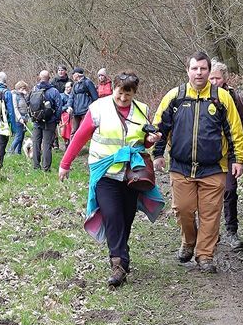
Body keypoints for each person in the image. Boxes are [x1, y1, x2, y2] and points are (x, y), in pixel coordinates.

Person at [59, 71, 165, 287]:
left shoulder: (142, 110)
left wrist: (151, 140)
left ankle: (122, 257)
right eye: (120, 92)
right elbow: (80, 136)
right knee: (112, 214)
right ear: (113, 88)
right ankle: (117, 264)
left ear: (134, 92)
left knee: (126, 218)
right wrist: (65, 163)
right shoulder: (98, 108)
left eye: (128, 94)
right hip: (105, 173)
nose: (123, 98)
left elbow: (143, 142)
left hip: (131, 175)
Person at [153, 51, 243, 273]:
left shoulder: (221, 98)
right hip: (181, 166)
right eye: (195, 68)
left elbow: (235, 130)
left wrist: (238, 159)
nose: (199, 73)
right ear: (187, 71)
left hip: (213, 167)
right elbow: (159, 128)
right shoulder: (175, 97)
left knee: (210, 214)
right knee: (183, 210)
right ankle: (188, 241)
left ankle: (205, 255)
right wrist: (157, 154)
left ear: (208, 71)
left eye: (203, 69)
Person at [208, 60, 243, 252]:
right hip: (207, 154)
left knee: (230, 191)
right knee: (208, 195)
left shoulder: (234, 97)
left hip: (231, 152)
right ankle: (210, 234)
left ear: (225, 79)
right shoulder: (199, 96)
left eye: (217, 78)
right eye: (211, 78)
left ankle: (232, 231)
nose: (214, 81)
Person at [30, 70, 62, 171]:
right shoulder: (54, 91)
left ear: (39, 77)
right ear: (49, 78)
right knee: (47, 144)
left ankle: (36, 166)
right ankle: (46, 168)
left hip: (36, 120)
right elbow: (59, 106)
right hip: (50, 121)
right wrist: (56, 119)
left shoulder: (34, 89)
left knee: (36, 143)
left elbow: (28, 102)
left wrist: (33, 116)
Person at [66, 67, 98, 136]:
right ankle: (72, 146)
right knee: (73, 131)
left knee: (86, 131)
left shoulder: (88, 82)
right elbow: (71, 97)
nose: (72, 76)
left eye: (73, 74)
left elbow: (95, 97)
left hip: (85, 111)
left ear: (77, 75)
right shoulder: (75, 84)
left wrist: (92, 109)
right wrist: (69, 106)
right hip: (76, 112)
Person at [8, 80, 29, 155]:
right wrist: (20, 118)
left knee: (22, 136)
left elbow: (27, 105)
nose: (24, 90)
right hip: (18, 119)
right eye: (22, 88)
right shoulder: (15, 96)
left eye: (25, 88)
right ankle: (10, 151)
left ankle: (18, 152)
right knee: (18, 136)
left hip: (25, 118)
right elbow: (15, 108)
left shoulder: (23, 96)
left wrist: (26, 95)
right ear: (18, 88)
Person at [58, 81, 73, 150]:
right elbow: (59, 107)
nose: (67, 89)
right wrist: (66, 108)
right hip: (65, 117)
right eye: (66, 87)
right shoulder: (61, 96)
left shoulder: (74, 95)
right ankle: (67, 143)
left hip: (73, 115)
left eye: (69, 87)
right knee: (66, 129)